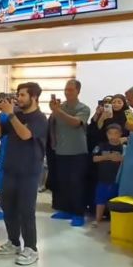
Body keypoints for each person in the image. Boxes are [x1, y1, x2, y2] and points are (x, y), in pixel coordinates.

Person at [0, 83, 48, 265]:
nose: (18, 98)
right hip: (10, 168)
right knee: (8, 207)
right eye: (18, 94)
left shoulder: (40, 118)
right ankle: (14, 242)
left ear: (34, 97)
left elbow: (25, 135)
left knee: (26, 210)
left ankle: (31, 248)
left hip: (29, 171)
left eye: (23, 95)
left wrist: (10, 114)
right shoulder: (16, 114)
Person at [50, 80, 91, 227]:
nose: (67, 92)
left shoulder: (84, 108)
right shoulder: (60, 107)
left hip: (78, 151)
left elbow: (75, 123)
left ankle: (78, 213)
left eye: (71, 90)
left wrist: (58, 111)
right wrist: (53, 141)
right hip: (61, 150)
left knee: (76, 183)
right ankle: (66, 210)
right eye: (66, 89)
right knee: (64, 182)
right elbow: (53, 125)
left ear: (78, 91)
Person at [91, 124, 125, 227]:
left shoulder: (124, 148)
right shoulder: (101, 146)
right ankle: (97, 219)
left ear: (120, 134)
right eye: (110, 133)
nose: (113, 136)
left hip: (118, 179)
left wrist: (121, 158)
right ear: (106, 134)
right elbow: (94, 158)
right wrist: (108, 157)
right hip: (103, 178)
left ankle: (114, 223)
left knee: (116, 201)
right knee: (100, 200)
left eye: (116, 133)